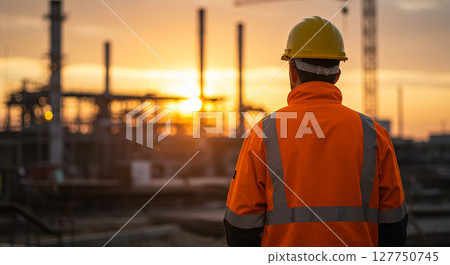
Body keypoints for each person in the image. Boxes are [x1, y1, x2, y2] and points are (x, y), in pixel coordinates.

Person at [224, 16, 408, 247]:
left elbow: (240, 225)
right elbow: (394, 225)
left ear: (292, 73)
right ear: (337, 76)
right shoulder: (374, 134)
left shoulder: (263, 134)